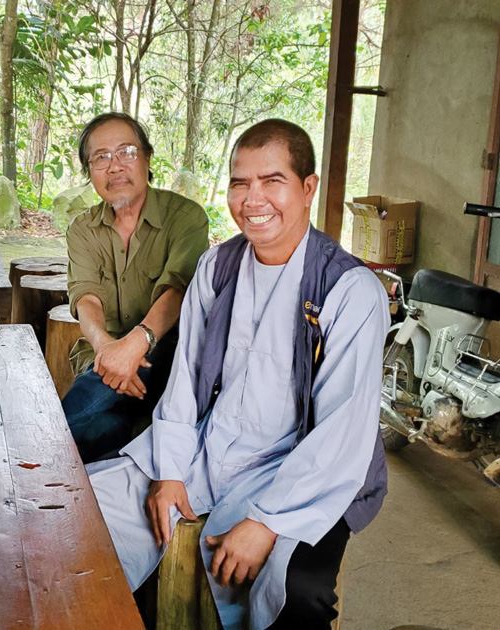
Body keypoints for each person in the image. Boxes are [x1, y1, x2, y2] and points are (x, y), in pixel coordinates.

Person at [88, 119, 389, 630]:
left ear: (307, 188)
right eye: (240, 183)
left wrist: (267, 521)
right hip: (210, 446)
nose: (254, 199)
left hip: (304, 469)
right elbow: (184, 380)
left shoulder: (349, 289)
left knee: (296, 591)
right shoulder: (217, 267)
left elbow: (343, 431)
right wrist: (170, 470)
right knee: (87, 518)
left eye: (273, 181)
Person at [62, 112, 209, 463]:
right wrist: (109, 350)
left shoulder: (185, 217)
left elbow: (177, 292)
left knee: (74, 428)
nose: (115, 167)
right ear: (89, 172)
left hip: (167, 357)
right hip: (101, 360)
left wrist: (136, 346)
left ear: (146, 158)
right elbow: (86, 297)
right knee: (103, 429)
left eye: (127, 152)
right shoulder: (83, 229)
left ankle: (40, 448)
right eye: (101, 157)